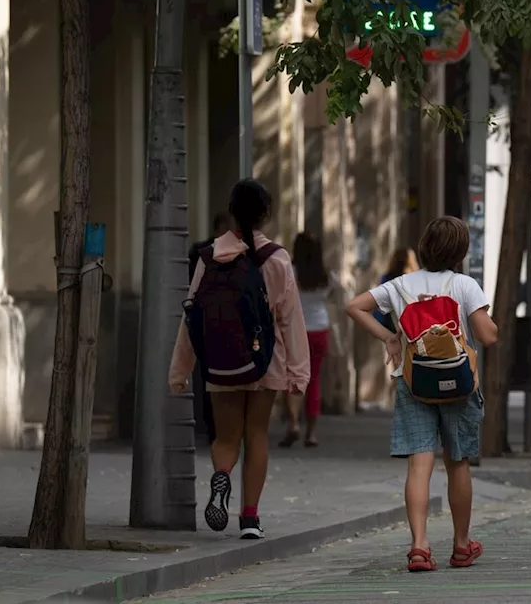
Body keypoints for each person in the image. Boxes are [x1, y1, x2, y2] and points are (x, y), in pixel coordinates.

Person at [345, 216, 498, 572]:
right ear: (461, 250)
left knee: (419, 464)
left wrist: (389, 337)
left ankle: (419, 547)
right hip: (459, 385)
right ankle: (461, 546)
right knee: (457, 463)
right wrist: (489, 319)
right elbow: (487, 336)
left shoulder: (400, 285)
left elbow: (354, 306)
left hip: (414, 383)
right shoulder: (464, 285)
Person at [169, 179, 310, 540]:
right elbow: (291, 318)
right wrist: (299, 373)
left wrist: (179, 372)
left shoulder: (209, 257)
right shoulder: (277, 259)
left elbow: (193, 317)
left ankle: (222, 476)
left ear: (231, 212)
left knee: (226, 436)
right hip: (267, 362)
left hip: (220, 361)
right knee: (257, 433)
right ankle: (249, 517)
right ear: (265, 214)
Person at [281, 231, 341, 448]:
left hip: (297, 330)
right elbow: (333, 296)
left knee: (294, 378)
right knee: (313, 379)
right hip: (320, 331)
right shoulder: (327, 277)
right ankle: (311, 433)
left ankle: (294, 423)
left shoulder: (291, 273)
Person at [188, 211, 232, 445]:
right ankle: (212, 425)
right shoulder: (201, 252)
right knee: (209, 375)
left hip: (226, 324)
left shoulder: (239, 253)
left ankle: (220, 425)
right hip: (207, 322)